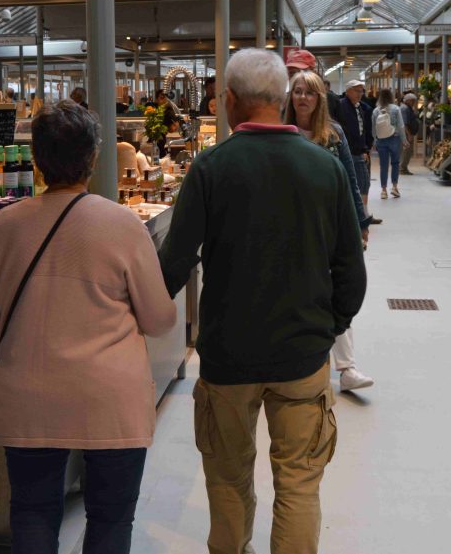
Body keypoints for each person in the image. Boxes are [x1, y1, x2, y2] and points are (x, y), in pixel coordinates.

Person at [160, 49, 367, 554]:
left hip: (229, 357)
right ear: (281, 98)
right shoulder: (324, 168)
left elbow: (172, 265)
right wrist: (326, 327)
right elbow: (351, 273)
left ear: (229, 100)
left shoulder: (211, 168)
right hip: (302, 356)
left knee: (228, 476)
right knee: (298, 481)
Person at [0, 100, 176, 554]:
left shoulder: (4, 227)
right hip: (110, 399)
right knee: (110, 516)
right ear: (93, 158)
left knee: (32, 512)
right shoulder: (123, 225)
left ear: (37, 160)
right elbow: (161, 320)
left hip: (27, 395)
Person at [286, 69, 375, 393]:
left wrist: (360, 223)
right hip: (291, 229)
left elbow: (350, 182)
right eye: (298, 91)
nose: (303, 98)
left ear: (319, 98)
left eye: (309, 92)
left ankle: (347, 368)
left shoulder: (333, 134)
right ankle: (304, 360)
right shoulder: (282, 133)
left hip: (329, 227)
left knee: (335, 290)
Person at [338, 80, 380, 223]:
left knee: (363, 183)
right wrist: (359, 150)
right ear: (348, 90)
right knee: (360, 182)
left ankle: (362, 214)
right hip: (352, 152)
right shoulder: (343, 106)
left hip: (360, 151)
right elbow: (348, 132)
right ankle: (361, 216)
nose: (360, 94)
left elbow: (362, 130)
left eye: (362, 91)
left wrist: (366, 147)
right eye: (357, 90)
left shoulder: (359, 107)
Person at [285, 49, 345, 125]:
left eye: (301, 72)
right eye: (292, 73)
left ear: (313, 72)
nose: (296, 77)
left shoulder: (331, 101)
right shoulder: (282, 102)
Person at [372, 89, 407, 199]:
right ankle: (394, 187)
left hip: (381, 140)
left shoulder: (376, 111)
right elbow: (401, 126)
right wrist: (404, 140)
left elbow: (373, 128)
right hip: (394, 139)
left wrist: (374, 141)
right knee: (395, 163)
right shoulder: (396, 109)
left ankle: (383, 191)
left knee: (383, 166)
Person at [154, 89, 181, 159]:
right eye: (162, 97)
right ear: (156, 99)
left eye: (166, 98)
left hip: (160, 144)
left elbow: (174, 127)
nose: (164, 100)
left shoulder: (169, 111)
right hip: (154, 145)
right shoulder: (153, 110)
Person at [399, 92, 420, 175]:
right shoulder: (405, 109)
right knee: (406, 152)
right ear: (407, 100)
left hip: (407, 133)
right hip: (406, 134)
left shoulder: (408, 108)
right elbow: (405, 123)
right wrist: (409, 134)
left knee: (408, 152)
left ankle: (404, 168)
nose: (413, 103)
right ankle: (402, 168)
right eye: (412, 101)